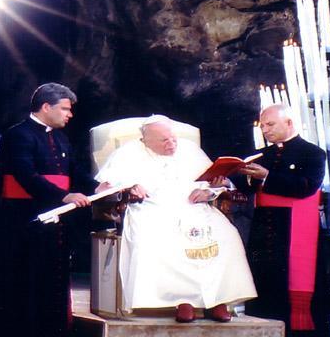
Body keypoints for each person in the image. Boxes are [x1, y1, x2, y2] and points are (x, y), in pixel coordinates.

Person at [94, 115, 256, 323]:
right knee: (164, 238)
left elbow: (216, 183)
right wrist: (128, 187)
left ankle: (218, 300)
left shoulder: (190, 149)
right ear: (146, 140)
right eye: (164, 141)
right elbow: (103, 187)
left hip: (195, 207)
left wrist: (210, 191)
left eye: (173, 139)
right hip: (153, 209)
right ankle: (183, 301)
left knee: (227, 234)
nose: (172, 144)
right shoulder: (127, 153)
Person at [0, 83, 92, 337]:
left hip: (56, 219)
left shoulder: (60, 137)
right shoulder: (18, 135)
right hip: (24, 219)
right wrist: (64, 195)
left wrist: (100, 186)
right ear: (46, 106)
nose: (69, 114)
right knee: (27, 280)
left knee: (54, 278)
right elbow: (25, 175)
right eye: (65, 109)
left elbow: (75, 171)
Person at [238, 103, 330, 337]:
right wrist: (227, 182)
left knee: (294, 292)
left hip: (294, 231)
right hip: (265, 231)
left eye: (270, 125)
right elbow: (247, 187)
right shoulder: (264, 154)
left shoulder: (313, 153)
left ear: (289, 123)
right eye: (263, 126)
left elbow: (305, 187)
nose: (265, 130)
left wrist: (267, 176)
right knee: (264, 287)